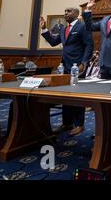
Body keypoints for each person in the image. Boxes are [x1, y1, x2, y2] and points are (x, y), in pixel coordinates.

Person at [40, 7, 93, 136]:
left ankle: (79, 124)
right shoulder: (64, 28)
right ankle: (67, 123)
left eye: (68, 11)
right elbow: (53, 42)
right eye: (64, 11)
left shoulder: (82, 27)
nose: (65, 13)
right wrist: (44, 29)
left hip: (77, 66)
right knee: (65, 95)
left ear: (76, 13)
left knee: (77, 96)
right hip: (65, 66)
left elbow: (89, 45)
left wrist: (84, 63)